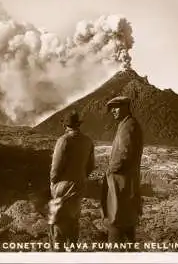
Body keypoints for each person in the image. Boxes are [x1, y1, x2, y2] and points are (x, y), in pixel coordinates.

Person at [48, 111, 95, 250]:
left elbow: (56, 168)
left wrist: (53, 182)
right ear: (78, 124)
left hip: (62, 186)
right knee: (73, 219)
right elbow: (91, 166)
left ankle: (58, 253)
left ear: (65, 126)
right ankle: (72, 250)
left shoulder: (63, 141)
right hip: (79, 185)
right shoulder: (88, 141)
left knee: (58, 222)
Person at [101, 96, 144, 243]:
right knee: (126, 223)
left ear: (126, 106)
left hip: (122, 185)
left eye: (116, 107)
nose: (113, 111)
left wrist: (110, 170)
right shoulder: (126, 124)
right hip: (124, 185)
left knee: (117, 222)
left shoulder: (128, 126)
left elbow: (124, 154)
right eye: (111, 108)